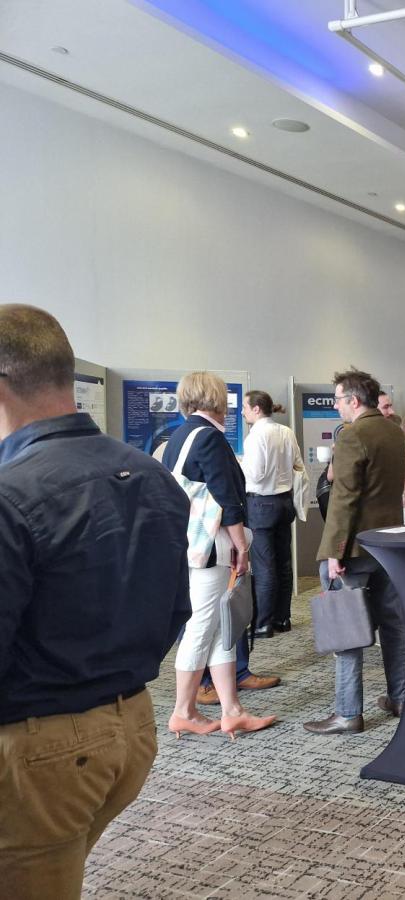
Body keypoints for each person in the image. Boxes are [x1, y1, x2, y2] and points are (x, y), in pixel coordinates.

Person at [0, 305, 191, 896]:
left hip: (41, 747)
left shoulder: (11, 494)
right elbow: (174, 609)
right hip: (129, 728)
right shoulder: (148, 473)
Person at [161, 372, 277, 741]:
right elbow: (227, 497)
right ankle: (184, 711)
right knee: (204, 624)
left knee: (216, 626)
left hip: (191, 546)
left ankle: (232, 710)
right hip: (212, 547)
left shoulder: (180, 436)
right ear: (214, 398)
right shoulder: (210, 437)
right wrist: (242, 546)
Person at [305, 369, 405, 735]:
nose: (336, 407)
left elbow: (344, 499)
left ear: (353, 400)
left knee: (346, 629)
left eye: (337, 400)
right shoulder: (393, 431)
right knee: (394, 625)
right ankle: (401, 697)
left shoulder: (353, 436)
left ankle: (348, 713)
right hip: (388, 546)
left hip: (354, 549)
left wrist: (335, 552)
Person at [241, 390, 306, 637]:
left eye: (245, 407)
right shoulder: (286, 432)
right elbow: (298, 465)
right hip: (284, 503)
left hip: (261, 505)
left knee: (264, 565)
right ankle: (282, 619)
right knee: (283, 563)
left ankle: (262, 624)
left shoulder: (256, 435)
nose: (242, 412)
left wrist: (238, 466)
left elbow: (255, 475)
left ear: (257, 409)